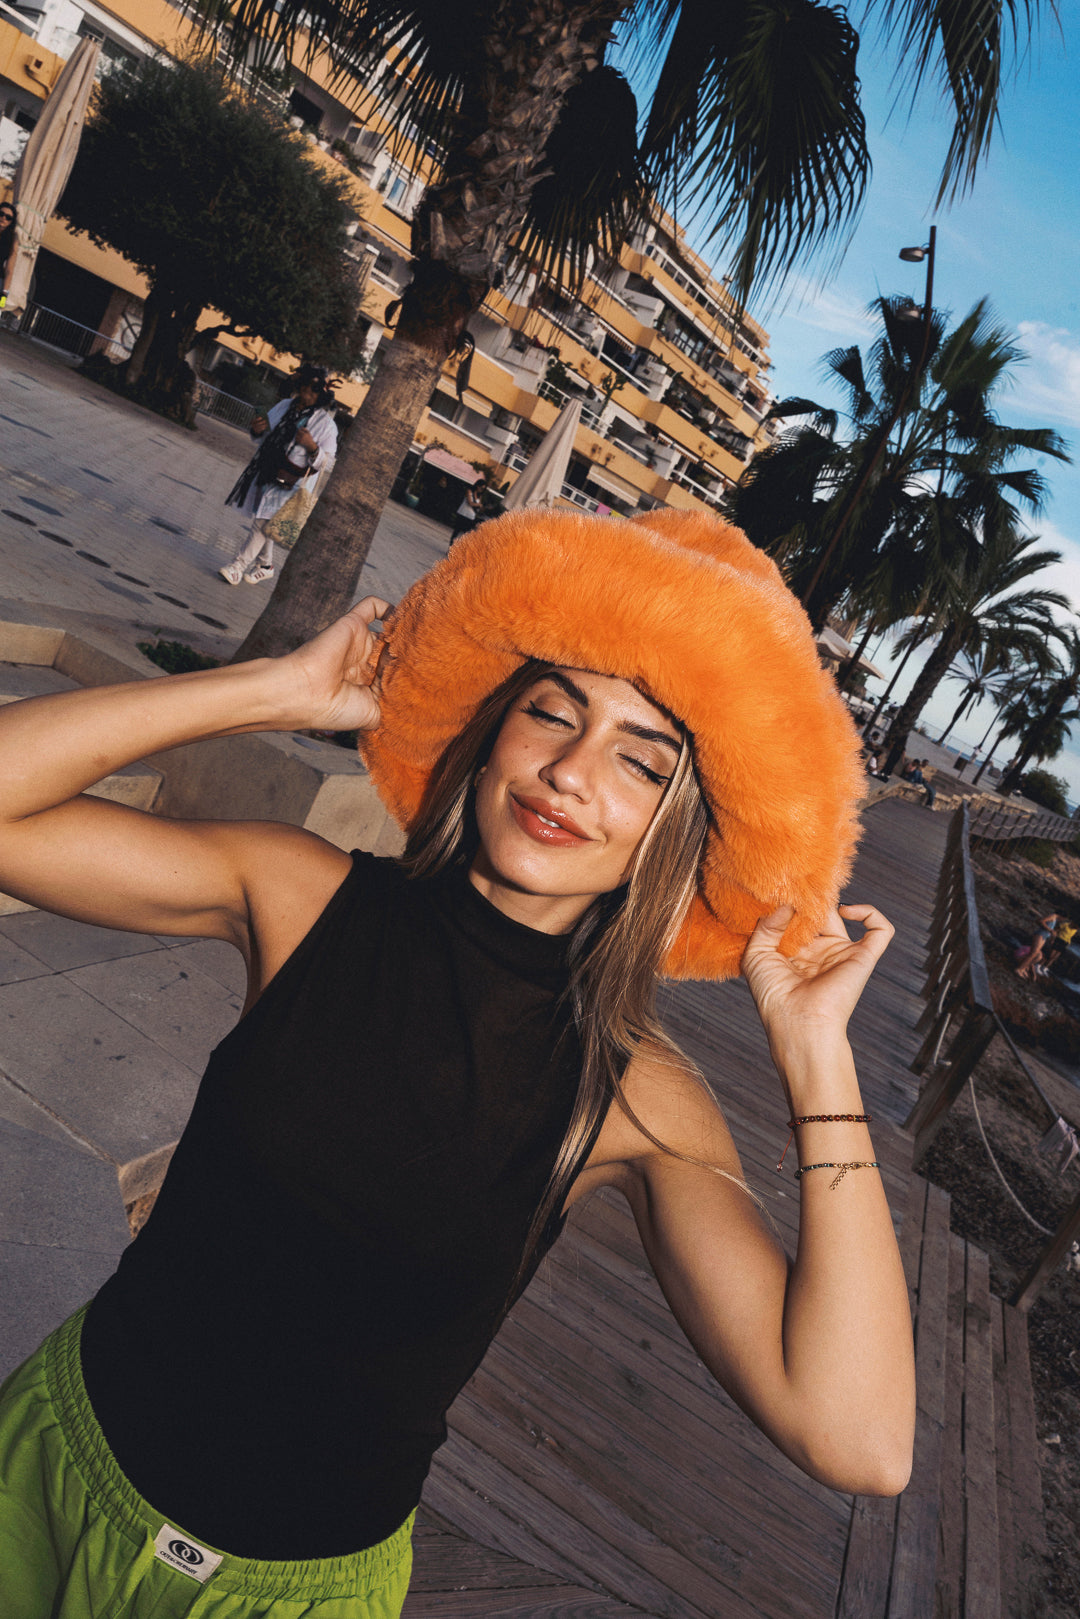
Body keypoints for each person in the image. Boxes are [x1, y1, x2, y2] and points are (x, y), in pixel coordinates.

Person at [0, 509, 915, 1616]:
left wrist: (817, 1056)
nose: (569, 773)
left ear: (675, 830)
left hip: (286, 1596)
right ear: (490, 733)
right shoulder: (300, 895)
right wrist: (270, 690)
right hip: (49, 1466)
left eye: (640, 761)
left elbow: (858, 1436)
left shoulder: (632, 1095)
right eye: (552, 713)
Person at [219, 363, 338, 586]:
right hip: (268, 470)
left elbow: (328, 463)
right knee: (265, 520)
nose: (306, 394)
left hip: (294, 482)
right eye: (304, 387)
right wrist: (258, 430)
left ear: (320, 396)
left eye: (312, 391)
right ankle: (265, 565)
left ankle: (238, 566)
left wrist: (312, 446)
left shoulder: (326, 425)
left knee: (263, 522)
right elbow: (267, 435)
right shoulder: (284, 406)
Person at [1016, 911, 1062, 979]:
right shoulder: (1053, 916)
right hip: (1040, 935)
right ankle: (1019, 969)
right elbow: (1040, 921)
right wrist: (1050, 930)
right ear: (1062, 917)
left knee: (1036, 955)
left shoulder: (1055, 919)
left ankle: (1023, 968)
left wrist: (1052, 935)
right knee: (1033, 953)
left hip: (1044, 936)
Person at [449, 474, 486, 543]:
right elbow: (470, 502)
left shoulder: (480, 496)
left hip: (471, 516)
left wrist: (481, 507)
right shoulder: (469, 491)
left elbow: (478, 507)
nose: (481, 490)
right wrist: (479, 505)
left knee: (466, 534)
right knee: (456, 531)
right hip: (463, 513)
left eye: (483, 489)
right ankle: (451, 545)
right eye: (481, 488)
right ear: (477, 486)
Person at [0, 199, 17, 317]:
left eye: (8, 217)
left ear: (11, 222)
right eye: (1, 214)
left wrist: (3, 297)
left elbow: (9, 270)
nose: (3, 218)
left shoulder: (12, 240)